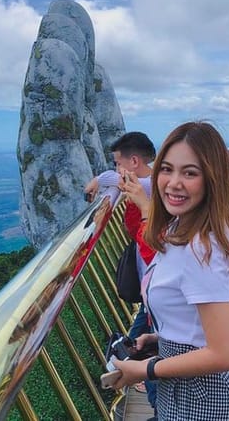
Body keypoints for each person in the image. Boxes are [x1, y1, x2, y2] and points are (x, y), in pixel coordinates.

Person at [112, 121, 229, 420]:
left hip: (205, 404)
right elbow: (197, 320)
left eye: (189, 173)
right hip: (186, 395)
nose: (173, 182)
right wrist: (158, 341)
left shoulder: (200, 248)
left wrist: (145, 369)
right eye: (166, 169)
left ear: (211, 178)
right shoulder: (184, 227)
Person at [83, 131, 158, 402]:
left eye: (119, 162)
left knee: (145, 335)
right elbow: (116, 179)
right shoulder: (149, 183)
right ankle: (143, 378)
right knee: (143, 331)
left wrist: (97, 180)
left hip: (154, 272)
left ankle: (149, 388)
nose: (117, 170)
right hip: (150, 272)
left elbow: (114, 179)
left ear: (134, 161)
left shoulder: (150, 186)